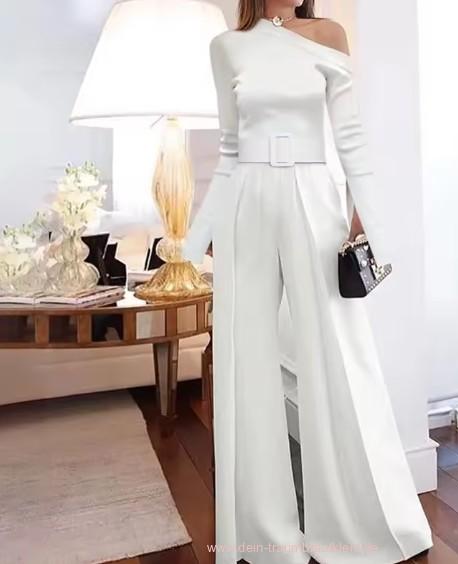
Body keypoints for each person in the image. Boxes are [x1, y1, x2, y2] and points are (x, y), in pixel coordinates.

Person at [182, 1, 433, 563]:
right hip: (246, 201)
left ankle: (359, 526)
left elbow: (350, 137)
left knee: (340, 351)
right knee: (246, 361)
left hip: (315, 197)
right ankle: (265, 537)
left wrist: (366, 216)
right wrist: (198, 237)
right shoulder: (227, 48)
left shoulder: (328, 35)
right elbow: (228, 149)